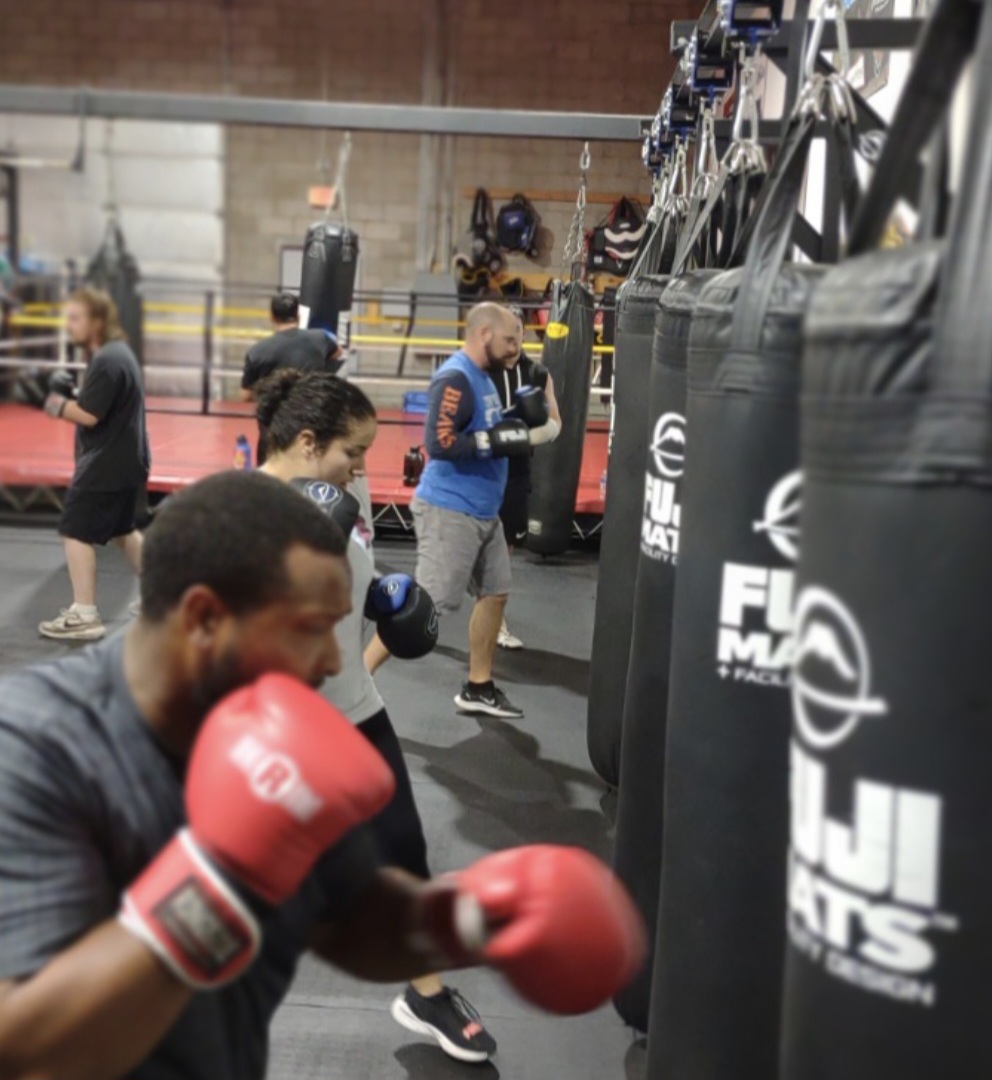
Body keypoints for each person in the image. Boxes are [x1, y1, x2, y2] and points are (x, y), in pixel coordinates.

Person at [0, 470, 644, 1080]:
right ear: (204, 617)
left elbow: (352, 924)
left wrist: (477, 918)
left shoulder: (271, 740)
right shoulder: (35, 750)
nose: (334, 660)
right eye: (310, 628)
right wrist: (219, 880)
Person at [256, 369, 496, 1063]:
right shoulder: (237, 512)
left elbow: (351, 572)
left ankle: (426, 994)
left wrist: (383, 598)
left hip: (354, 708)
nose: (362, 468)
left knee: (402, 851)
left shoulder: (335, 498)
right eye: (353, 453)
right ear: (308, 443)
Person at [365, 303, 535, 719]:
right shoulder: (456, 377)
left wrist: (512, 420)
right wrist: (493, 442)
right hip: (450, 509)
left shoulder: (484, 378)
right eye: (509, 339)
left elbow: (479, 426)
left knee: (495, 592)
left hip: (484, 511)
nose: (515, 348)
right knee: (422, 606)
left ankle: (478, 687)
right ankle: (356, 678)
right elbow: (439, 442)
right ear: (484, 334)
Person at [38, 287, 149, 642]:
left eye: (76, 318)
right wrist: (71, 394)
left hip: (105, 464)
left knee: (75, 531)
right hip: (127, 459)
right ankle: (159, 597)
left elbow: (89, 415)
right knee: (123, 530)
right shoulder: (119, 353)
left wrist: (52, 402)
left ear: (96, 322)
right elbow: (101, 404)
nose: (69, 325)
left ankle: (84, 615)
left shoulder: (107, 360)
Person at [491, 314, 562, 651]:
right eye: (507, 333)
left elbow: (555, 423)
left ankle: (496, 622)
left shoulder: (537, 374)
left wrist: (522, 437)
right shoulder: (479, 370)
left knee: (504, 549)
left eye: (518, 331)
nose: (513, 338)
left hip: (515, 471)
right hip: (479, 470)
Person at [239, 292, 343, 402]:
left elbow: (246, 396)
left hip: (276, 410)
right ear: (298, 316)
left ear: (272, 318)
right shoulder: (321, 338)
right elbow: (338, 353)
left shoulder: (257, 351)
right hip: (312, 408)